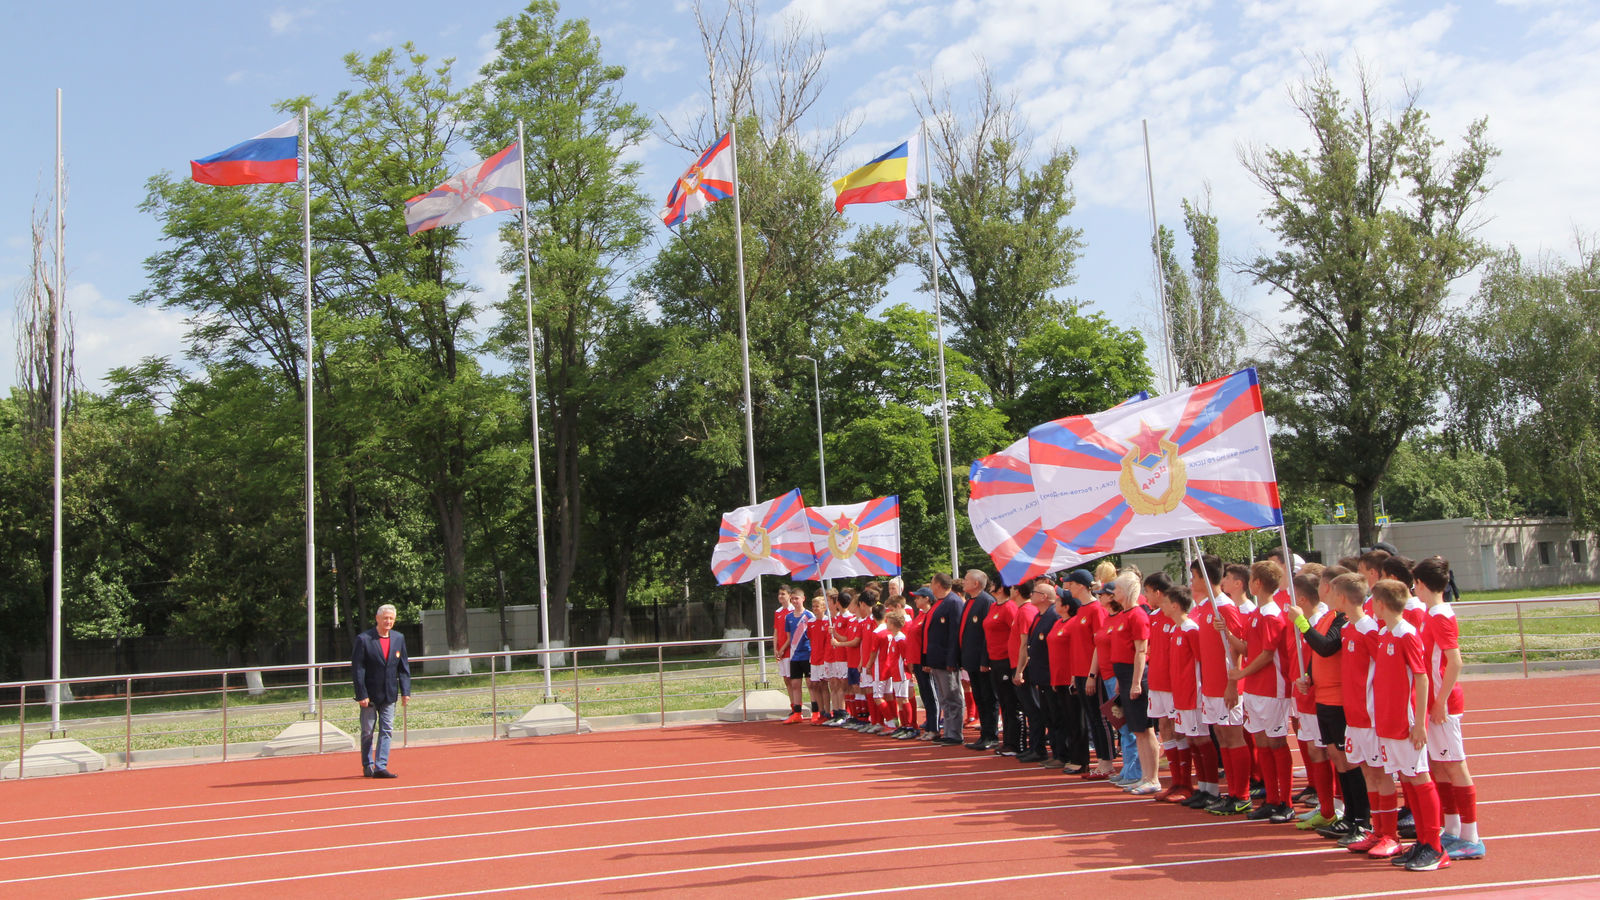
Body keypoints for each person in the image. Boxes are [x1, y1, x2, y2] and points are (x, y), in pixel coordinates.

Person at [1367, 578, 1450, 871]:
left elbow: (1422, 676)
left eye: (1373, 600)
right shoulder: (1386, 634)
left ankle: (1435, 847)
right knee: (1407, 779)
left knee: (1419, 778)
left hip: (1406, 720)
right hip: (1389, 721)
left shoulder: (1406, 634)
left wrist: (1420, 724)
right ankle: (1423, 842)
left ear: (1380, 604)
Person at [1413, 555, 1486, 860]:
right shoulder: (1432, 613)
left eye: (1414, 583)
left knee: (1455, 765)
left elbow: (1455, 661)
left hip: (1444, 703)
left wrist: (1441, 701)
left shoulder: (1441, 615)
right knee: (1441, 765)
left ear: (1420, 584)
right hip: (1432, 702)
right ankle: (1453, 829)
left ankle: (1472, 835)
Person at [1230, 560, 1296, 822]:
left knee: (1276, 742)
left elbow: (1268, 654)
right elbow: (1250, 650)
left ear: (1257, 584)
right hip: (1256, 688)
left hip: (1272, 687)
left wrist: (1242, 674)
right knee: (1262, 742)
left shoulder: (1271, 615)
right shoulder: (1256, 614)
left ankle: (1286, 802)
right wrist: (1228, 636)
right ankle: (1272, 798)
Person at [352, 604, 411, 779]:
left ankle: (380, 766)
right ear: (377, 619)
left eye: (391, 618)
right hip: (369, 695)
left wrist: (405, 691)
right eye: (385, 618)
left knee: (387, 729)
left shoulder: (399, 638)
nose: (388, 621)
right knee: (368, 731)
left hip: (389, 694)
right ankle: (368, 765)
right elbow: (358, 669)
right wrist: (361, 694)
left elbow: (403, 668)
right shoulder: (364, 639)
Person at [958, 570, 999, 750]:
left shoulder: (986, 601)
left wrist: (985, 660)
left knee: (987, 697)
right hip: (970, 659)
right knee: (980, 697)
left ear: (976, 584)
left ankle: (991, 735)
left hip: (982, 661)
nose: (963, 583)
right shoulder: (970, 602)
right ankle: (985, 734)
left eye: (967, 580)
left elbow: (986, 635)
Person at [923, 573, 965, 745]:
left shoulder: (953, 602)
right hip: (936, 658)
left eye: (932, 583)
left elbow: (955, 634)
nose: (931, 587)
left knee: (952, 696)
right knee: (944, 698)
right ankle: (948, 731)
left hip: (946, 659)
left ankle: (954, 733)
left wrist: (952, 659)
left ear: (938, 585)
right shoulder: (939, 603)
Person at [984, 580, 1022, 756]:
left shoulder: (1009, 607)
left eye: (992, 584)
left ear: (1000, 588)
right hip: (995, 660)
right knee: (1004, 702)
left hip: (1007, 660)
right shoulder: (993, 607)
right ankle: (1007, 740)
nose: (989, 587)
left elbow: (1017, 634)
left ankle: (1015, 742)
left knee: (1011, 702)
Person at [781, 589, 815, 724]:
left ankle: (816, 712)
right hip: (794, 656)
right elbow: (789, 637)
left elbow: (813, 636)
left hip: (807, 654)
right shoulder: (788, 617)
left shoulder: (809, 615)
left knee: (811, 684)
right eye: (793, 599)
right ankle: (797, 712)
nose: (794, 601)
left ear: (803, 599)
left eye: (797, 598)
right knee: (795, 684)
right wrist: (783, 649)